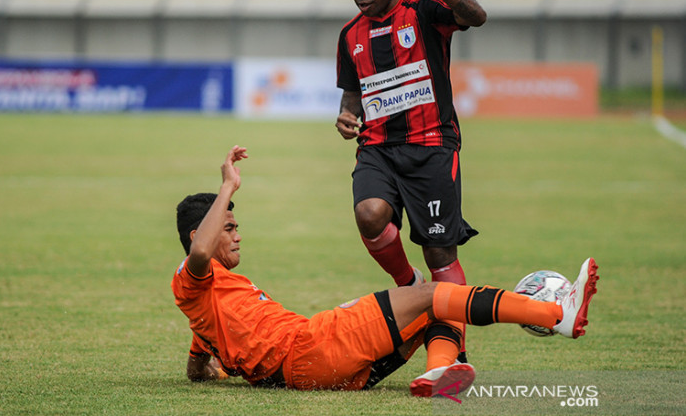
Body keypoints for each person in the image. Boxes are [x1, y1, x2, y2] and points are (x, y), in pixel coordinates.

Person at [171, 146, 599, 397]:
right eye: (229, 227)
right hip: (312, 347)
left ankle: (441, 371)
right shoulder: (193, 278)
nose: (237, 235)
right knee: (436, 292)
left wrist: (215, 369)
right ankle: (556, 314)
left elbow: (197, 365)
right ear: (198, 235)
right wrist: (228, 186)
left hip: (319, 372)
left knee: (432, 306)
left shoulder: (206, 309)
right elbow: (201, 253)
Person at [335, 0, 486, 380]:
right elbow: (352, 93)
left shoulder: (422, 10)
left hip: (432, 147)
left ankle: (448, 357)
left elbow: (476, 16)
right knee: (369, 214)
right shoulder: (349, 35)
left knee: (440, 253)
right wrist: (347, 116)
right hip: (378, 149)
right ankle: (409, 287)